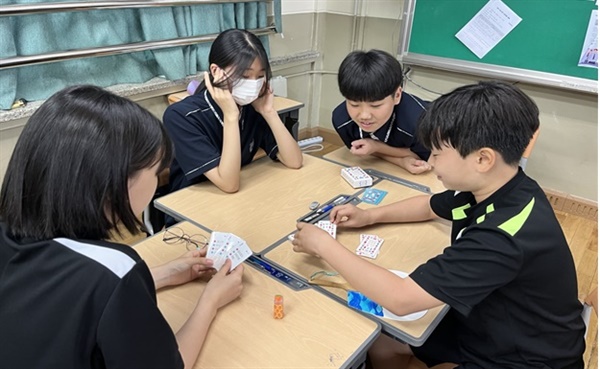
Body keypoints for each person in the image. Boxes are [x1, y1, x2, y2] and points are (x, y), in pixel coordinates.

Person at [293, 81, 585, 368]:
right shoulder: (501, 184)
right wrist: (369, 216)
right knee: (382, 341)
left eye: (437, 153)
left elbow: (401, 299)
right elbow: (429, 205)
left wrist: (323, 244)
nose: (431, 162)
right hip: (485, 320)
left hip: (523, 357)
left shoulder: (502, 236)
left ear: (483, 159)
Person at [0, 85, 244, 369]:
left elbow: (61, 299)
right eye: (156, 172)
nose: (157, 181)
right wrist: (210, 301)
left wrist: (161, 275)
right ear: (116, 181)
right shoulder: (117, 269)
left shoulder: (10, 233)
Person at [163, 28, 303, 197]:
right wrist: (230, 116)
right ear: (216, 71)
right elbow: (229, 184)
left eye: (260, 76)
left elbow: (294, 161)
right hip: (191, 205)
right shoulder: (181, 116)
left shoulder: (252, 107)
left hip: (239, 200)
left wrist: (269, 112)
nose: (254, 84)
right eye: (244, 76)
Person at [332, 49, 431, 175]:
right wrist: (402, 162)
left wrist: (376, 146)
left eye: (375, 105)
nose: (364, 116)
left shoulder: (420, 121)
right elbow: (366, 151)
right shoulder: (342, 120)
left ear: (397, 95)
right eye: (354, 104)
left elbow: (427, 156)